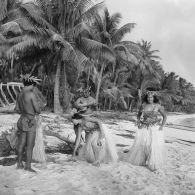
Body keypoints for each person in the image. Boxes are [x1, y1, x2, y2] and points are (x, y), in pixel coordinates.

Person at [127, 90, 167, 171]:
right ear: (147, 98)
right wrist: (138, 123)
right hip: (144, 128)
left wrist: (162, 126)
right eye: (148, 97)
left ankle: (153, 163)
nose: (150, 98)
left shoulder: (158, 106)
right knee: (144, 145)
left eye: (151, 97)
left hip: (155, 128)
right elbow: (138, 115)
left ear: (154, 98)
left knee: (153, 146)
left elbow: (165, 116)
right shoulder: (143, 105)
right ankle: (142, 161)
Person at [15, 74, 43, 172]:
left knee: (22, 143)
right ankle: (28, 167)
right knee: (30, 145)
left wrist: (25, 111)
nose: (34, 88)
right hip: (30, 121)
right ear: (31, 84)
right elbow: (38, 110)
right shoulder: (31, 94)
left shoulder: (20, 94)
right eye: (34, 86)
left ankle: (19, 164)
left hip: (22, 119)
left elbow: (17, 109)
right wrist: (37, 108)